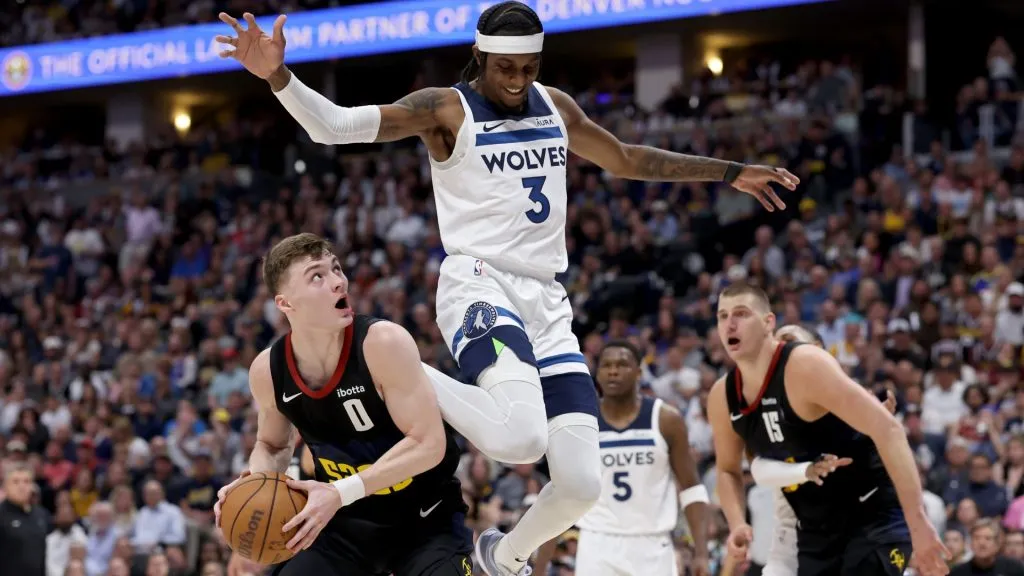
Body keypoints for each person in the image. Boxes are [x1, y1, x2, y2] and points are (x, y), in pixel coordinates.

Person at [215, 4, 797, 574]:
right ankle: (405, 367)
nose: (518, 80)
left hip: (547, 301)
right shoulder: (446, 109)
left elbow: (624, 159)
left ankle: (503, 556)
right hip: (478, 283)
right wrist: (277, 76)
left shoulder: (555, 106)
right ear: (480, 56)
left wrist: (728, 171)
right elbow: (335, 126)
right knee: (520, 440)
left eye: (529, 67)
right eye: (505, 68)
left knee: (580, 484)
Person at [213, 233, 473, 576]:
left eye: (336, 269)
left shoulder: (382, 343)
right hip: (343, 527)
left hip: (425, 520)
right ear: (285, 304)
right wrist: (254, 486)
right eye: (317, 276)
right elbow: (272, 445)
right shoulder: (268, 371)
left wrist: (338, 492)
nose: (339, 281)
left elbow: (428, 444)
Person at [708, 283, 949, 576]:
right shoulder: (722, 396)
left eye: (741, 314)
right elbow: (728, 470)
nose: (730, 324)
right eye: (722, 316)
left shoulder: (803, 364)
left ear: (768, 322)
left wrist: (918, 521)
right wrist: (737, 523)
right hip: (816, 531)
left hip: (872, 516)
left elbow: (890, 430)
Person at [571, 340, 711, 576]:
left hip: (652, 544)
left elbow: (691, 489)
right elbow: (563, 492)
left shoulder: (666, 419)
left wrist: (702, 552)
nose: (613, 371)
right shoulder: (582, 422)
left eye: (622, 365)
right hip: (597, 542)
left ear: (638, 372)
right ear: (598, 373)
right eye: (606, 365)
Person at [0, 462, 49, 576]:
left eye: (26, 481)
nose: (22, 487)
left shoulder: (41, 514)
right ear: (5, 486)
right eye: (15, 482)